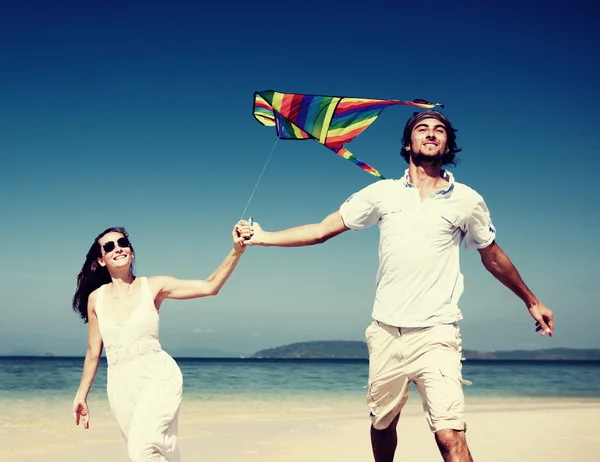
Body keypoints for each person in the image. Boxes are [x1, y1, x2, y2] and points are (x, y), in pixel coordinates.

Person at [244, 110, 555, 462]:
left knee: (449, 434)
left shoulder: (467, 200)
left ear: (448, 145)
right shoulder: (382, 194)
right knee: (382, 424)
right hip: (386, 332)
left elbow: (492, 255)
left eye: (439, 130)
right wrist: (262, 237)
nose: (432, 134)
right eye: (422, 129)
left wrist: (531, 300)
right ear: (408, 144)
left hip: (437, 333)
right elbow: (321, 230)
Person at [71, 222, 251, 461]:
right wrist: (81, 396)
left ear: (131, 252)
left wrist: (236, 250)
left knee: (141, 449)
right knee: (158, 451)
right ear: (101, 260)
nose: (118, 248)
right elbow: (94, 352)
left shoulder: (154, 285)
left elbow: (210, 286)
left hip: (158, 376)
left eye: (123, 243)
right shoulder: (96, 299)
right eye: (110, 246)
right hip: (120, 385)